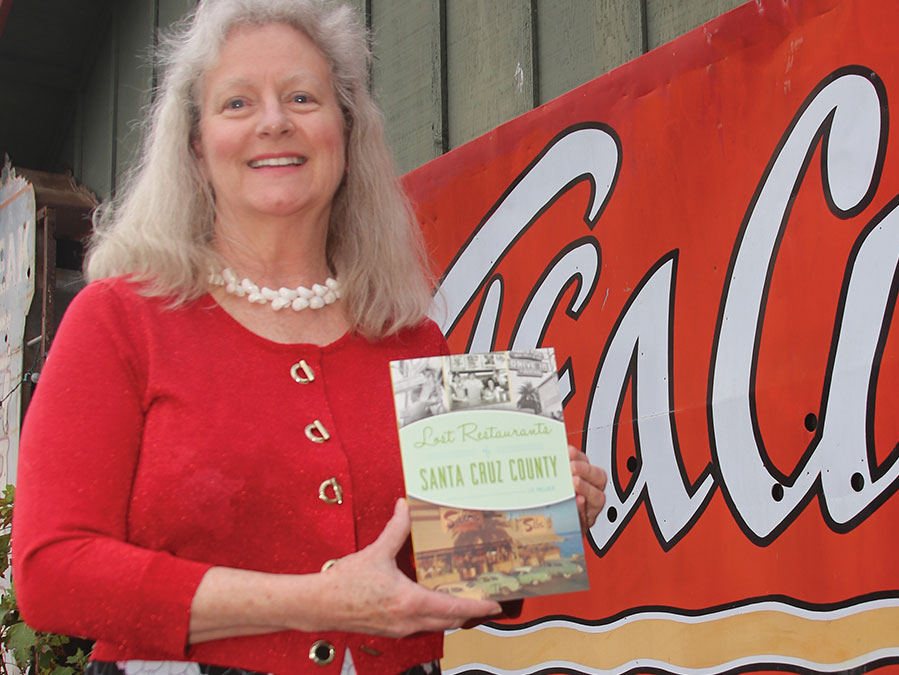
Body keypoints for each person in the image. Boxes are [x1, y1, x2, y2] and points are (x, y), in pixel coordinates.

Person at [11, 2, 608, 675]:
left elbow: (464, 587)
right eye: (238, 103)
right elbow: (51, 573)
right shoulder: (117, 317)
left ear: (347, 136)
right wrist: (315, 601)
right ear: (196, 147)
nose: (274, 121)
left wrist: (538, 513)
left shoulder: (415, 338)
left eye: (302, 96)